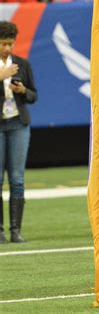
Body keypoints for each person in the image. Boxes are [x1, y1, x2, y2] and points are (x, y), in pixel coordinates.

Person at [0, 21, 37, 243]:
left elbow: (34, 95)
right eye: (3, 43)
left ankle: (15, 230)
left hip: (18, 124)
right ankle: (0, 232)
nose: (7, 48)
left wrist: (23, 90)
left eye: (10, 44)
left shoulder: (22, 65)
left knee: (17, 179)